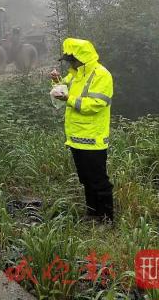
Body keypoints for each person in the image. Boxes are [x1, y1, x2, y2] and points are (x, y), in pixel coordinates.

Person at [50, 38, 114, 223]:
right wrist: (56, 82)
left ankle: (107, 217)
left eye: (72, 60)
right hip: (77, 136)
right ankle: (93, 214)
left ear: (82, 58)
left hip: (93, 137)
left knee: (98, 179)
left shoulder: (102, 75)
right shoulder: (77, 74)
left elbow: (96, 104)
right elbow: (63, 89)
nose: (71, 63)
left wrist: (68, 98)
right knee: (85, 178)